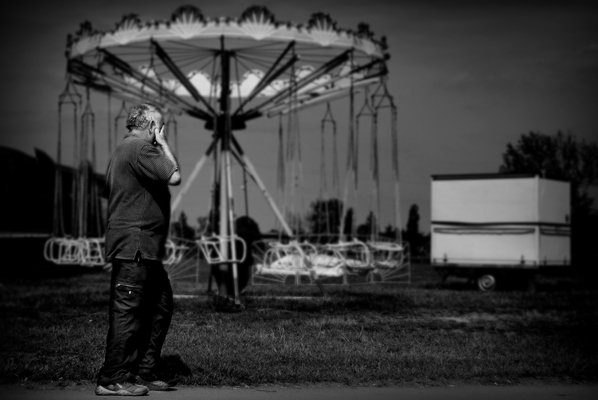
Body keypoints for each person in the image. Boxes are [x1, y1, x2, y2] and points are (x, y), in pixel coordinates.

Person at [96, 103, 181, 396]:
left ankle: (143, 370)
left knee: (160, 306)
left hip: (143, 248)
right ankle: (112, 378)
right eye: (160, 126)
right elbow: (174, 175)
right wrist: (163, 143)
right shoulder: (141, 149)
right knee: (128, 312)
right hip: (136, 246)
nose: (162, 130)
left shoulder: (123, 150)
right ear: (152, 127)